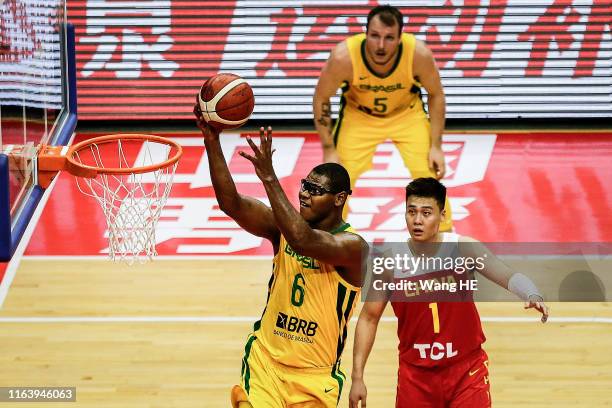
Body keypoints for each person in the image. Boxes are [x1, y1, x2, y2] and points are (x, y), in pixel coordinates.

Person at [193, 106, 369, 408]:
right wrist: (212, 140)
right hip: (266, 365)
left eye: (316, 190)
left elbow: (305, 241)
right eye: (304, 185)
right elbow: (231, 203)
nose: (304, 194)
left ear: (339, 199)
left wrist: (269, 178)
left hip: (314, 378)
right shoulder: (282, 227)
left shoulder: (354, 246)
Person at [348, 177, 549, 408]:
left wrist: (532, 293)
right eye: (411, 212)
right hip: (416, 377)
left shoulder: (463, 248)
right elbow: (368, 318)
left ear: (442, 215)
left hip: (467, 372)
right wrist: (357, 377)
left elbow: (505, 275)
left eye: (426, 213)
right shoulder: (390, 260)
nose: (417, 220)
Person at [313, 5, 453, 231]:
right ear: (365, 33)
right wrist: (329, 147)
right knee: (337, 179)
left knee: (427, 175)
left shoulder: (418, 54)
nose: (380, 45)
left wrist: (436, 145)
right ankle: (330, 238)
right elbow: (322, 97)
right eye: (375, 36)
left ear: (400, 38)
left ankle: (443, 238)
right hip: (359, 116)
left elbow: (436, 95)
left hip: (406, 114)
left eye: (389, 38)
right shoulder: (344, 57)